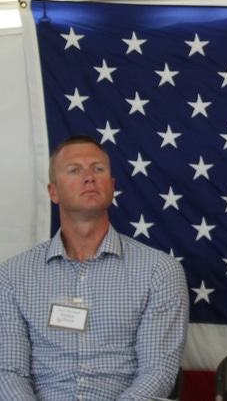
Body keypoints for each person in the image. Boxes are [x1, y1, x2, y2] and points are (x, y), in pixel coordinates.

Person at [0, 134, 190, 400]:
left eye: (98, 169)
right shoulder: (13, 274)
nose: (89, 177)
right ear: (53, 192)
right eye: (74, 170)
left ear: (111, 186)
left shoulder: (159, 270)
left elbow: (157, 372)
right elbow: (9, 372)